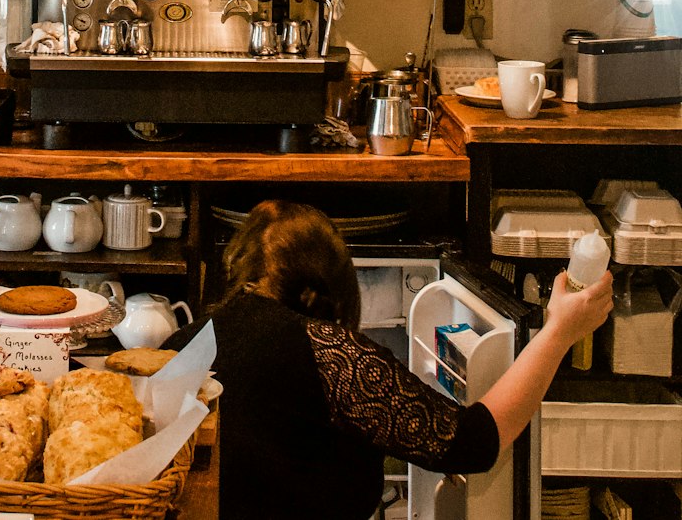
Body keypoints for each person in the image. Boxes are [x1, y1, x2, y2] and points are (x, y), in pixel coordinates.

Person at [165, 199, 613, 520]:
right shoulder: (333, 354)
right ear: (327, 281)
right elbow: (472, 442)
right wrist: (558, 332)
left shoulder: (179, 348)